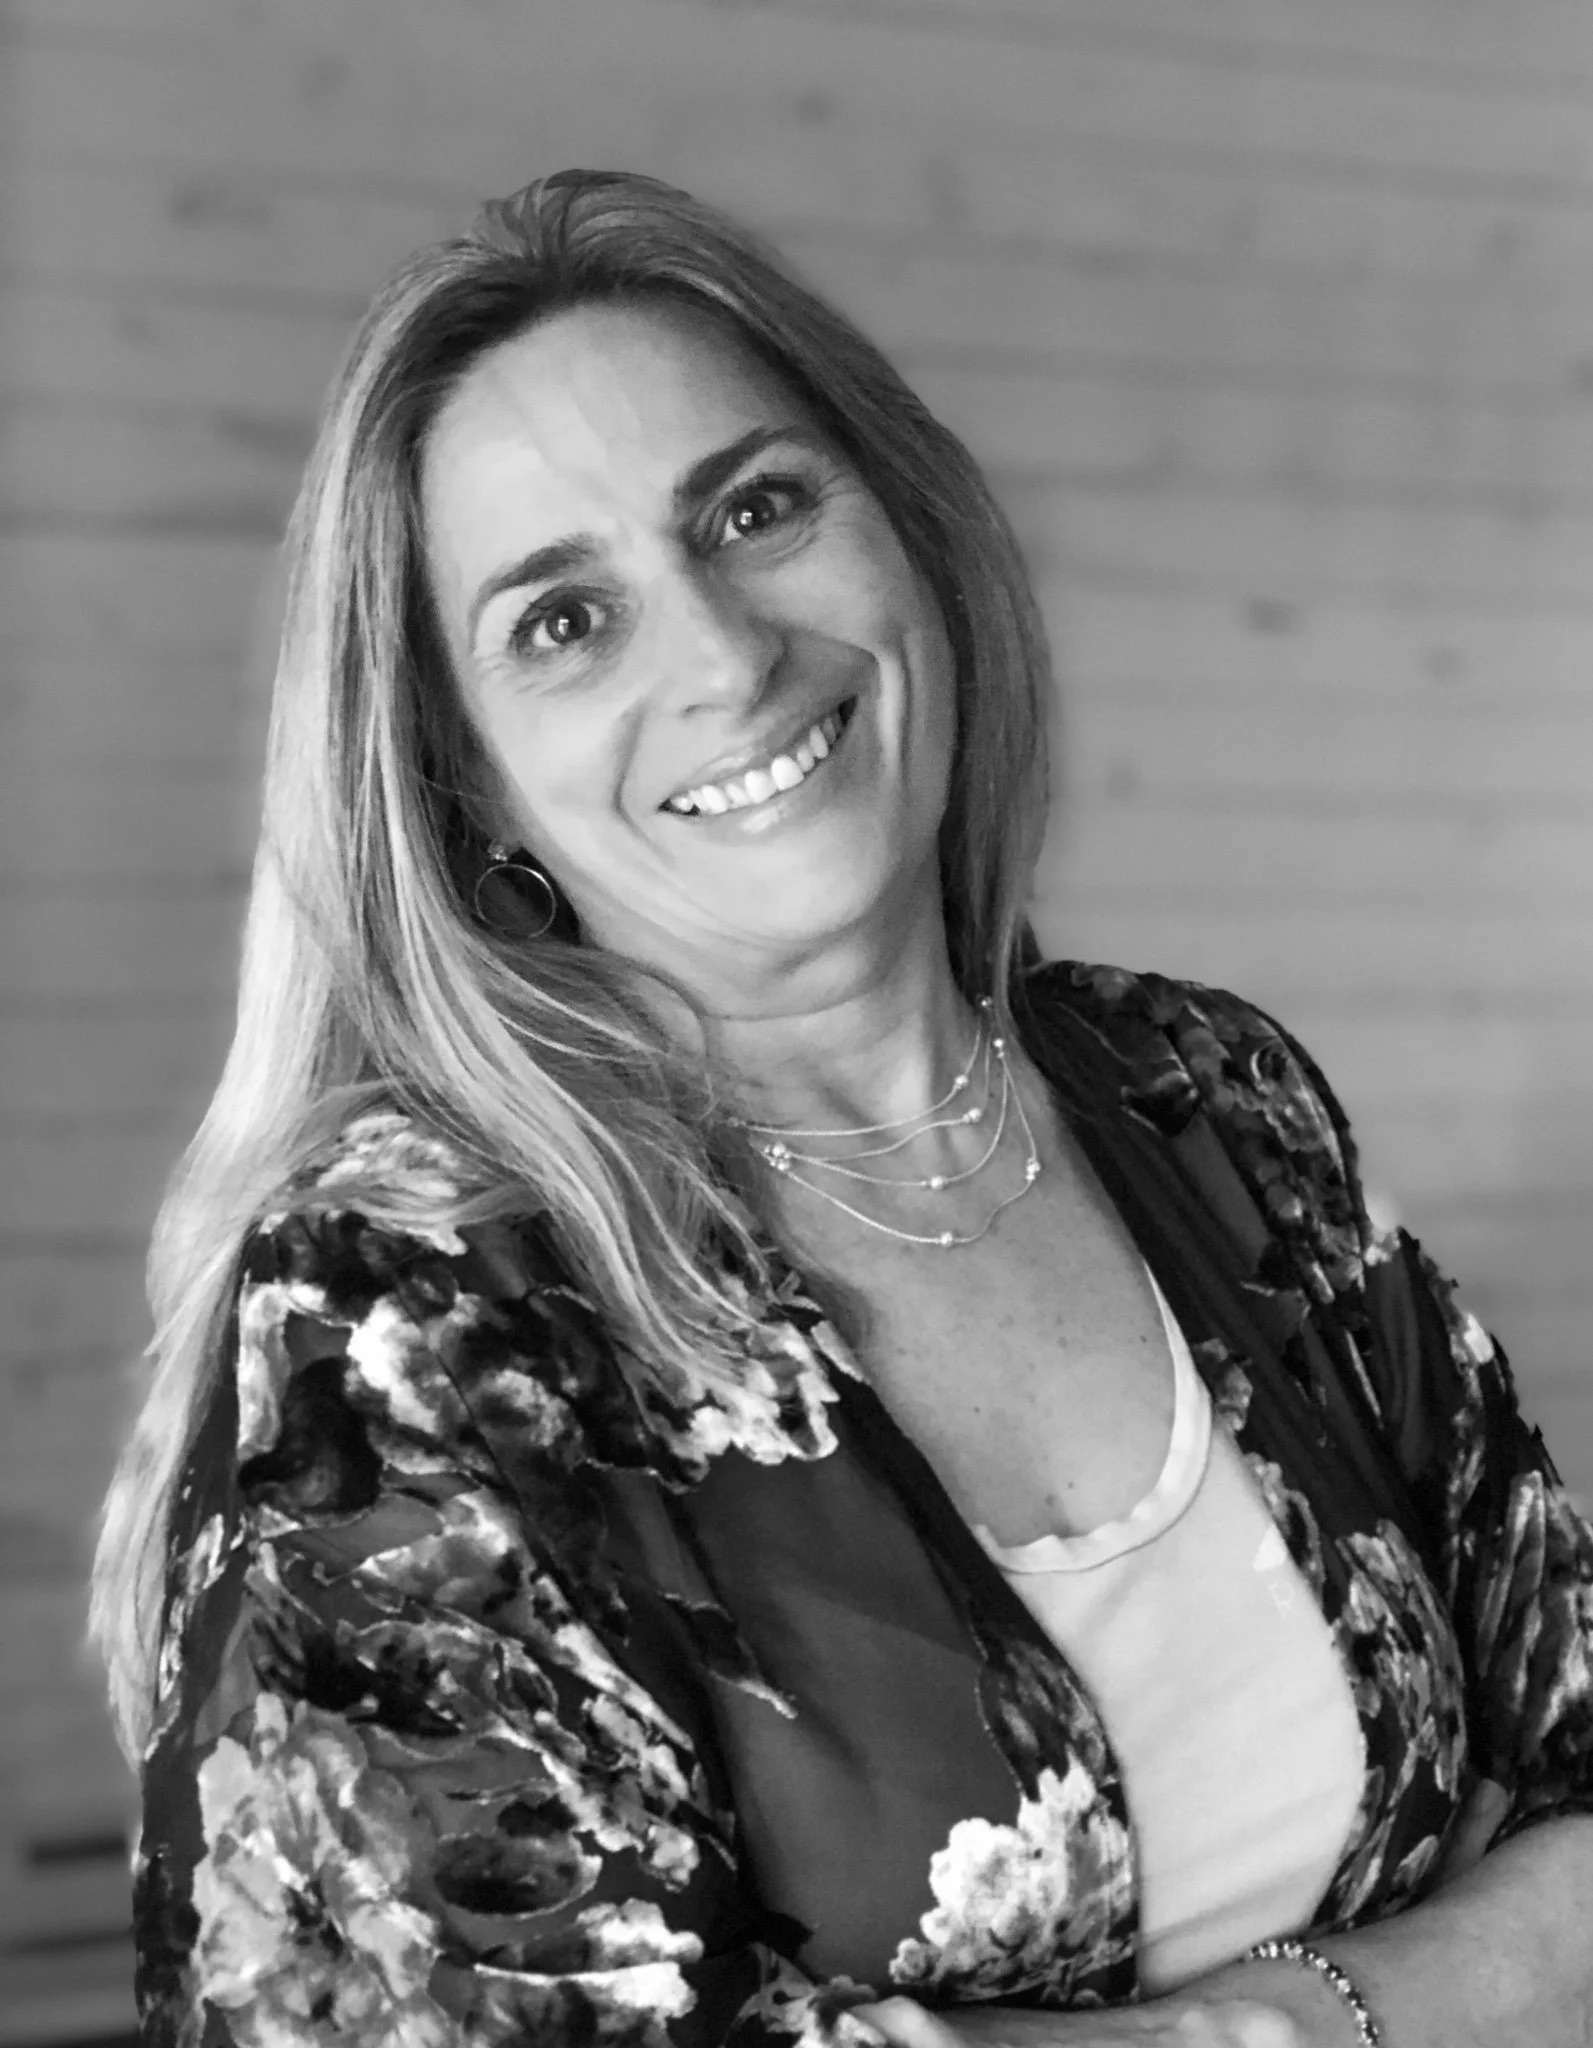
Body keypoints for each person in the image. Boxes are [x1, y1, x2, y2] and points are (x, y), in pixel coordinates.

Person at [93, 169, 1593, 2048]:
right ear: (462, 781)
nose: (725, 656)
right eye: (565, 620)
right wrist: (1398, 1995)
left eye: (756, 510)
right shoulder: (407, 1309)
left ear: (911, 532)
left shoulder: (1212, 1104)